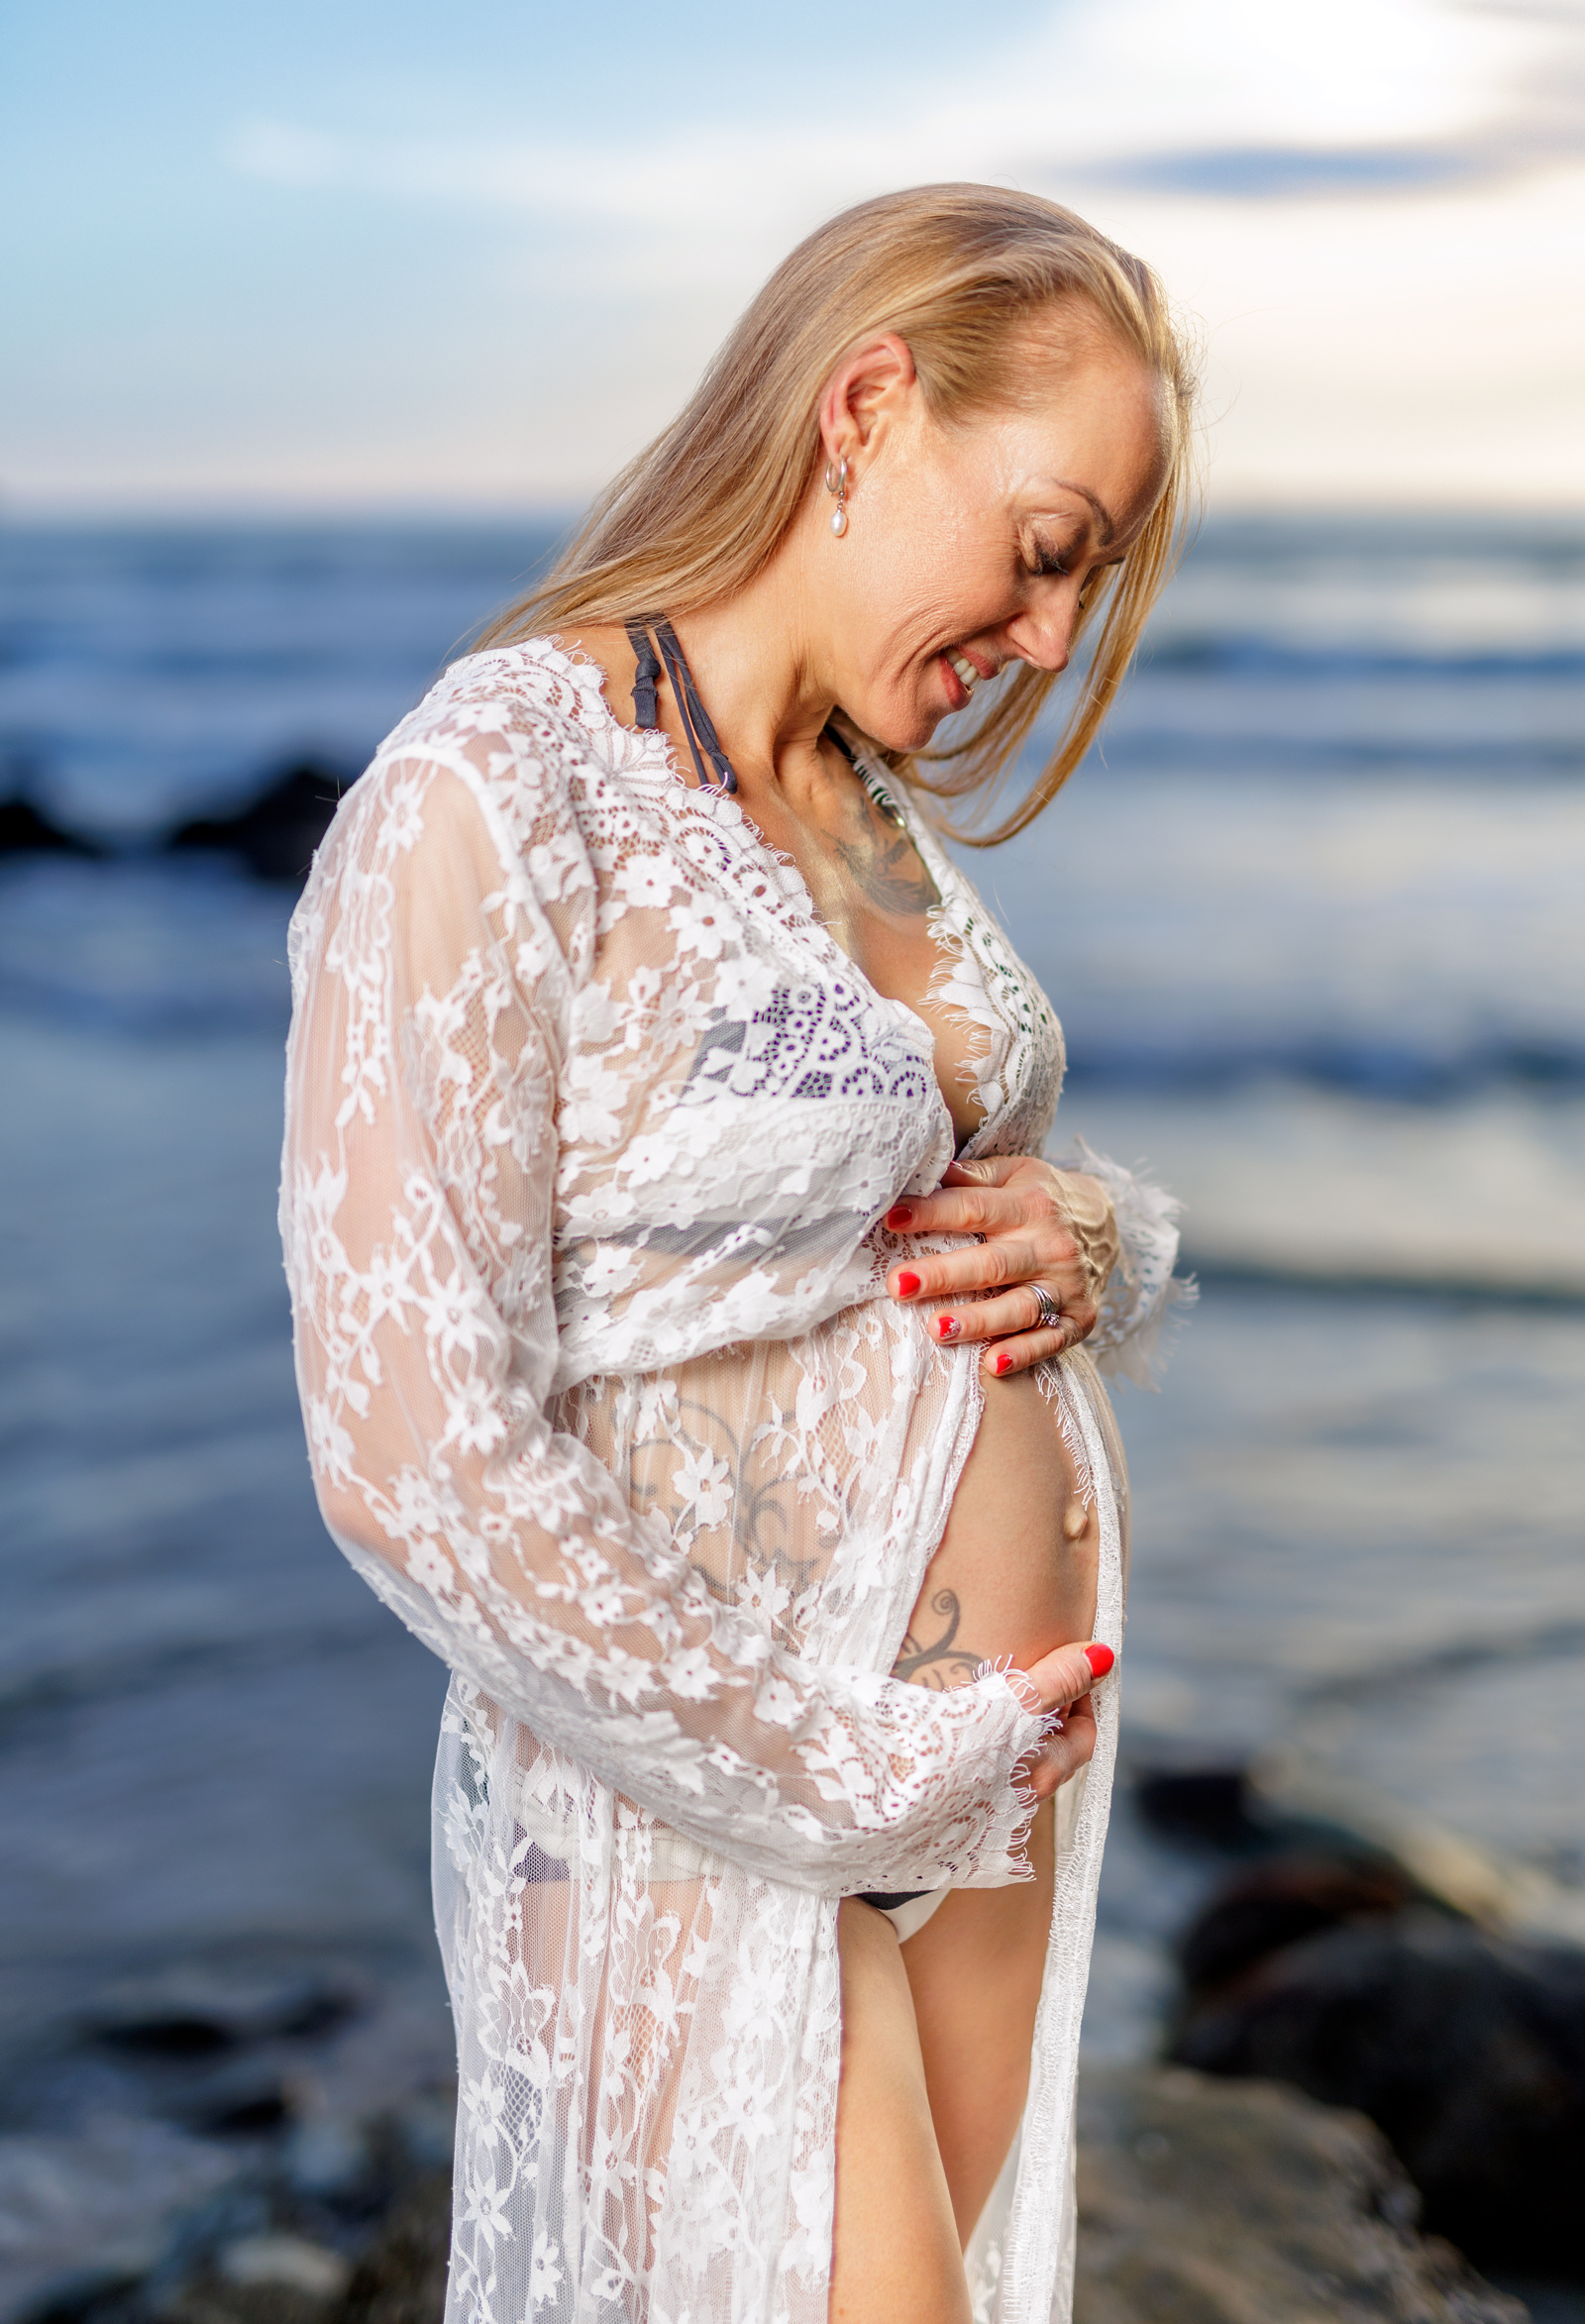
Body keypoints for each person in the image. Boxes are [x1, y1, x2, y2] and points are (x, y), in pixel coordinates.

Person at [280, 182, 1196, 2324]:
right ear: (867, 404)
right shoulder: (494, 787)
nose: (1050, 639)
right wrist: (846, 1773)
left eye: (1092, 583)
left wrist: (1089, 1234)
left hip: (977, 1793)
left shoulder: (857, 795)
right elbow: (407, 1453)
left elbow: (889, 1193)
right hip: (698, 1812)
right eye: (1045, 546)